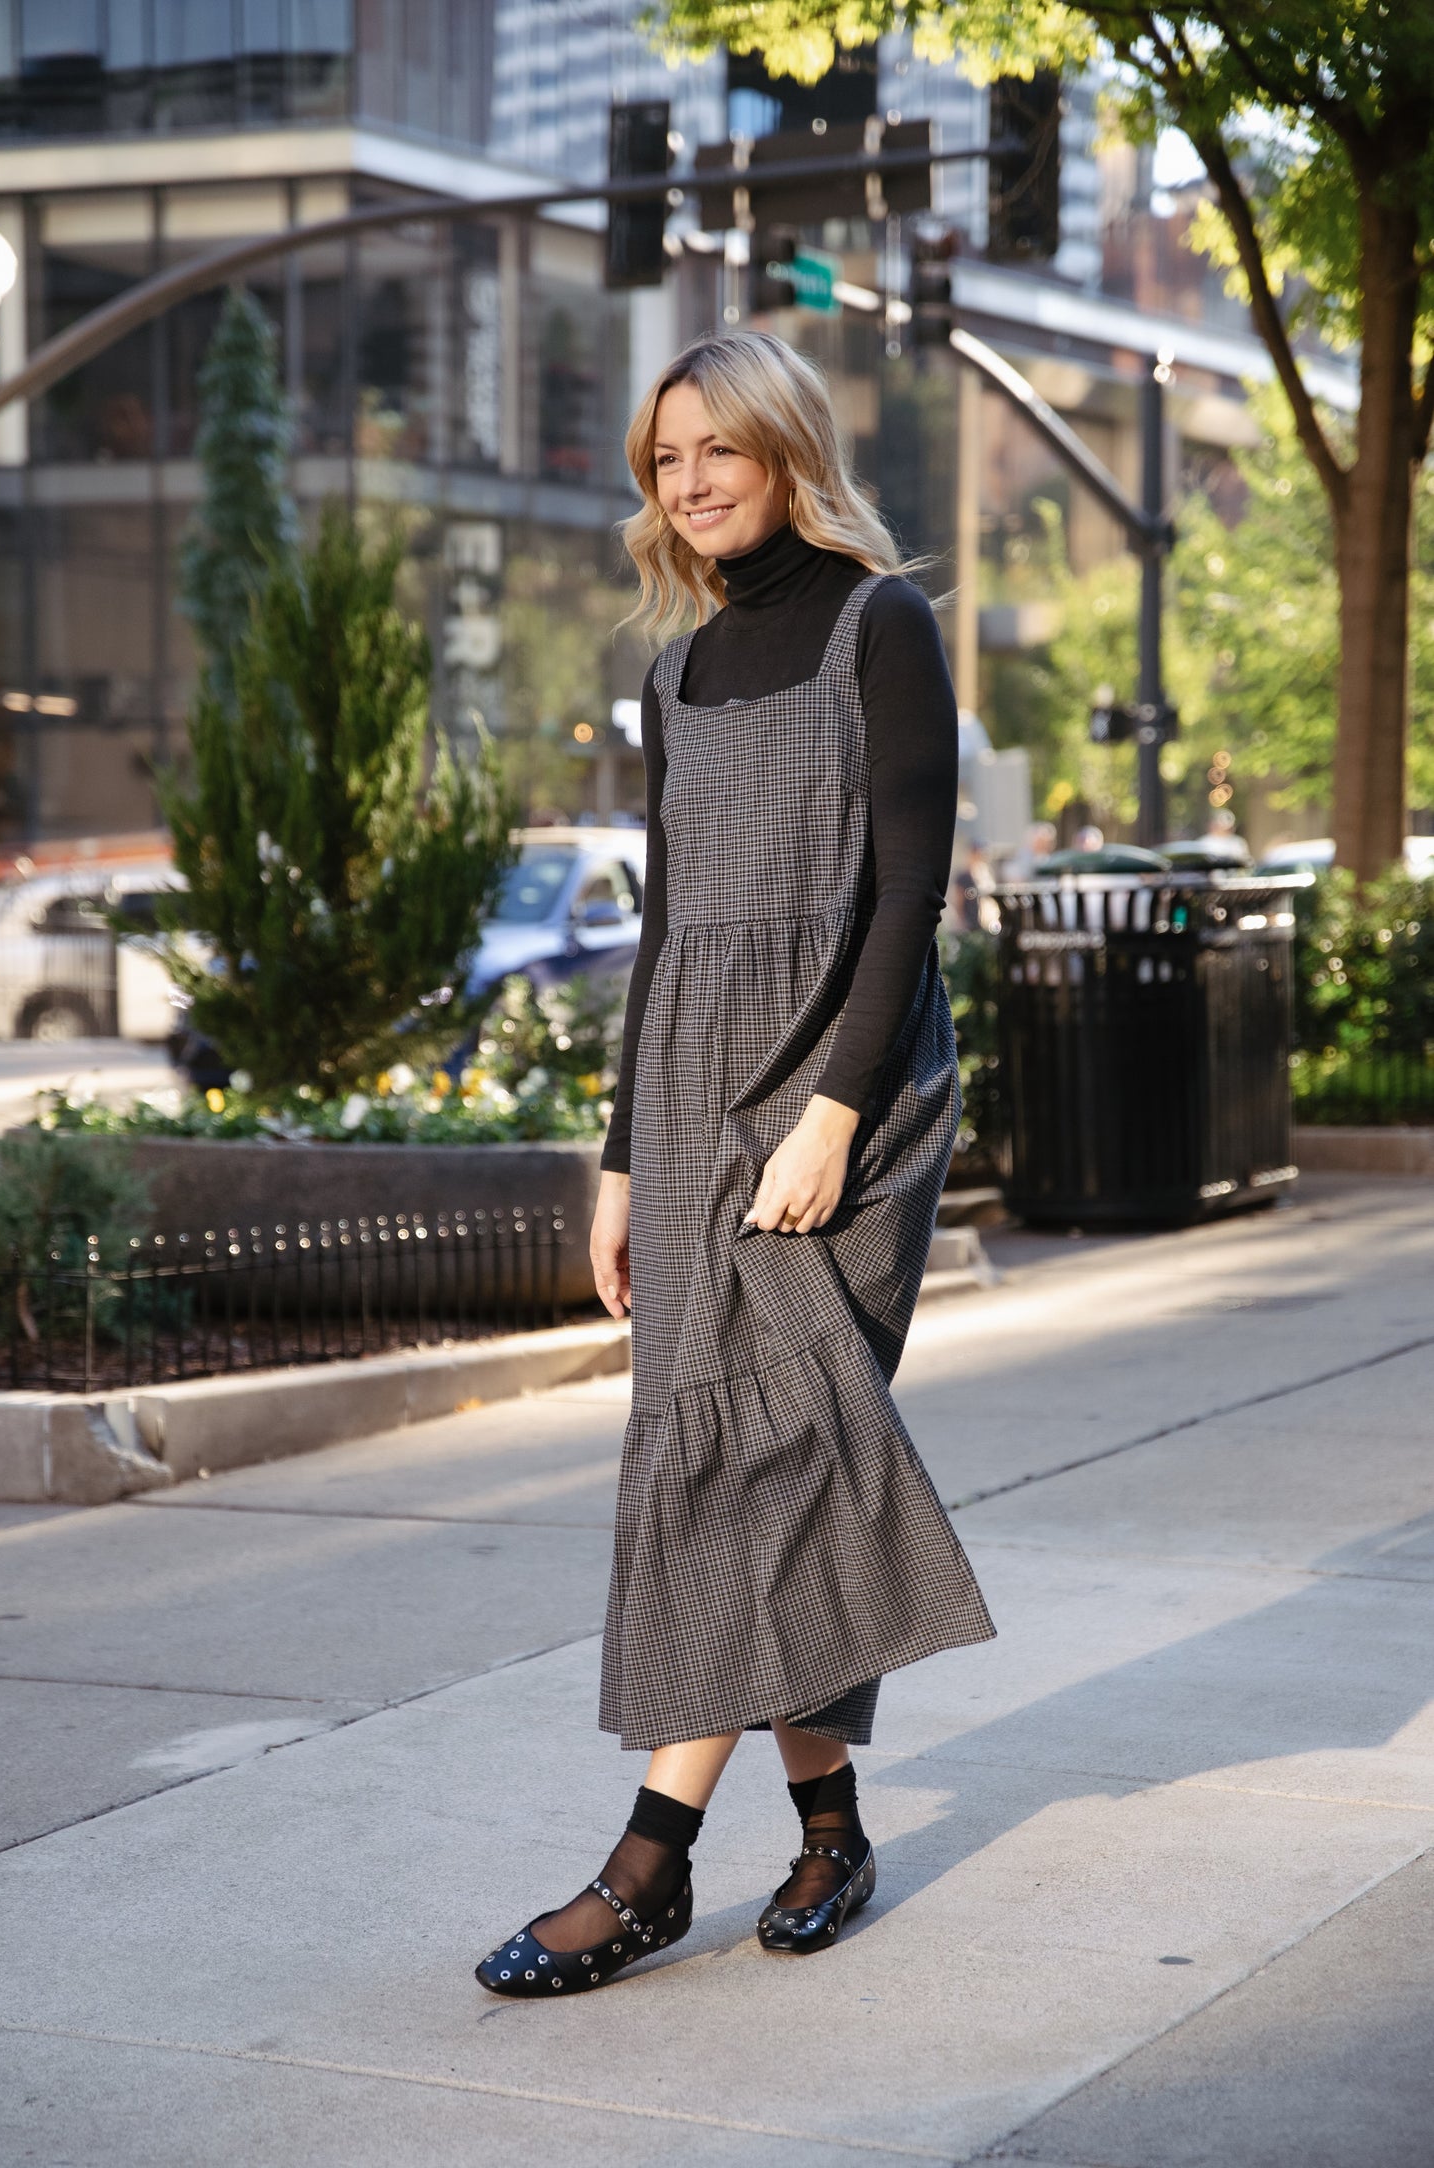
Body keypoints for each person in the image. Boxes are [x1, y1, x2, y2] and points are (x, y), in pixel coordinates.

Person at [477, 330, 993, 2001]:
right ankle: (829, 1829)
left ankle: (647, 1865)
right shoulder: (676, 672)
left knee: (757, 1455)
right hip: (696, 1086)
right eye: (663, 458)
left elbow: (907, 896)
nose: (689, 482)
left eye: (718, 449)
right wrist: (622, 1161)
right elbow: (664, 933)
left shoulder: (879, 623)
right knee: (757, 1466)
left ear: (786, 448)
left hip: (844, 1090)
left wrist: (835, 1117)